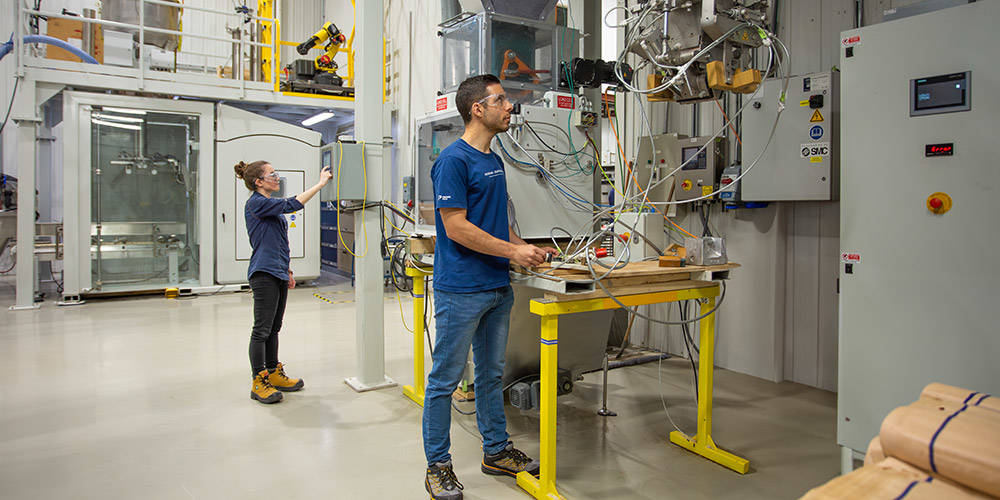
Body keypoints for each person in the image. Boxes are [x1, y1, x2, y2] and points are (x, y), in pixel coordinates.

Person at [423, 74, 557, 500]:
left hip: (497, 286)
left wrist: (525, 248)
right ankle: (438, 465)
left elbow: (497, 224)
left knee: (491, 373)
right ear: (477, 108)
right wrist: (511, 253)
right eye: (501, 99)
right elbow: (456, 227)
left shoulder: (494, 160)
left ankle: (495, 451)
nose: (510, 106)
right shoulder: (453, 160)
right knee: (444, 380)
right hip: (460, 289)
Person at [234, 160, 332, 404]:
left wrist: (287, 270)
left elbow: (278, 242)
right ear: (258, 181)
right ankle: (259, 381)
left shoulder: (267, 206)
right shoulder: (257, 203)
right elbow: (293, 204)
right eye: (272, 174)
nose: (277, 178)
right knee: (261, 330)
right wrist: (321, 184)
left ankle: (273, 372)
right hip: (264, 273)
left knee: (274, 328)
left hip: (277, 271)